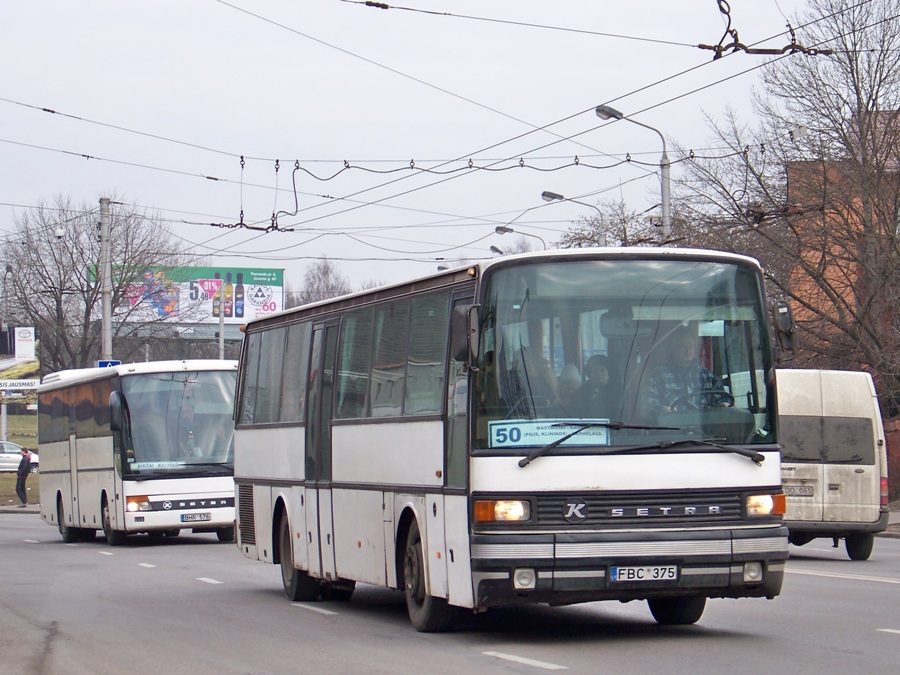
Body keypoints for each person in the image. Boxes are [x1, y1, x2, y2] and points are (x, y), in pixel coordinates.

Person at [641, 326, 730, 421]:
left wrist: (724, 404)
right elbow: (648, 406)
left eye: (690, 347)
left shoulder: (707, 376)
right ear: (673, 350)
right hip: (674, 430)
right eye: (682, 347)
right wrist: (666, 410)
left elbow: (723, 398)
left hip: (706, 428)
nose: (688, 352)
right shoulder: (657, 376)